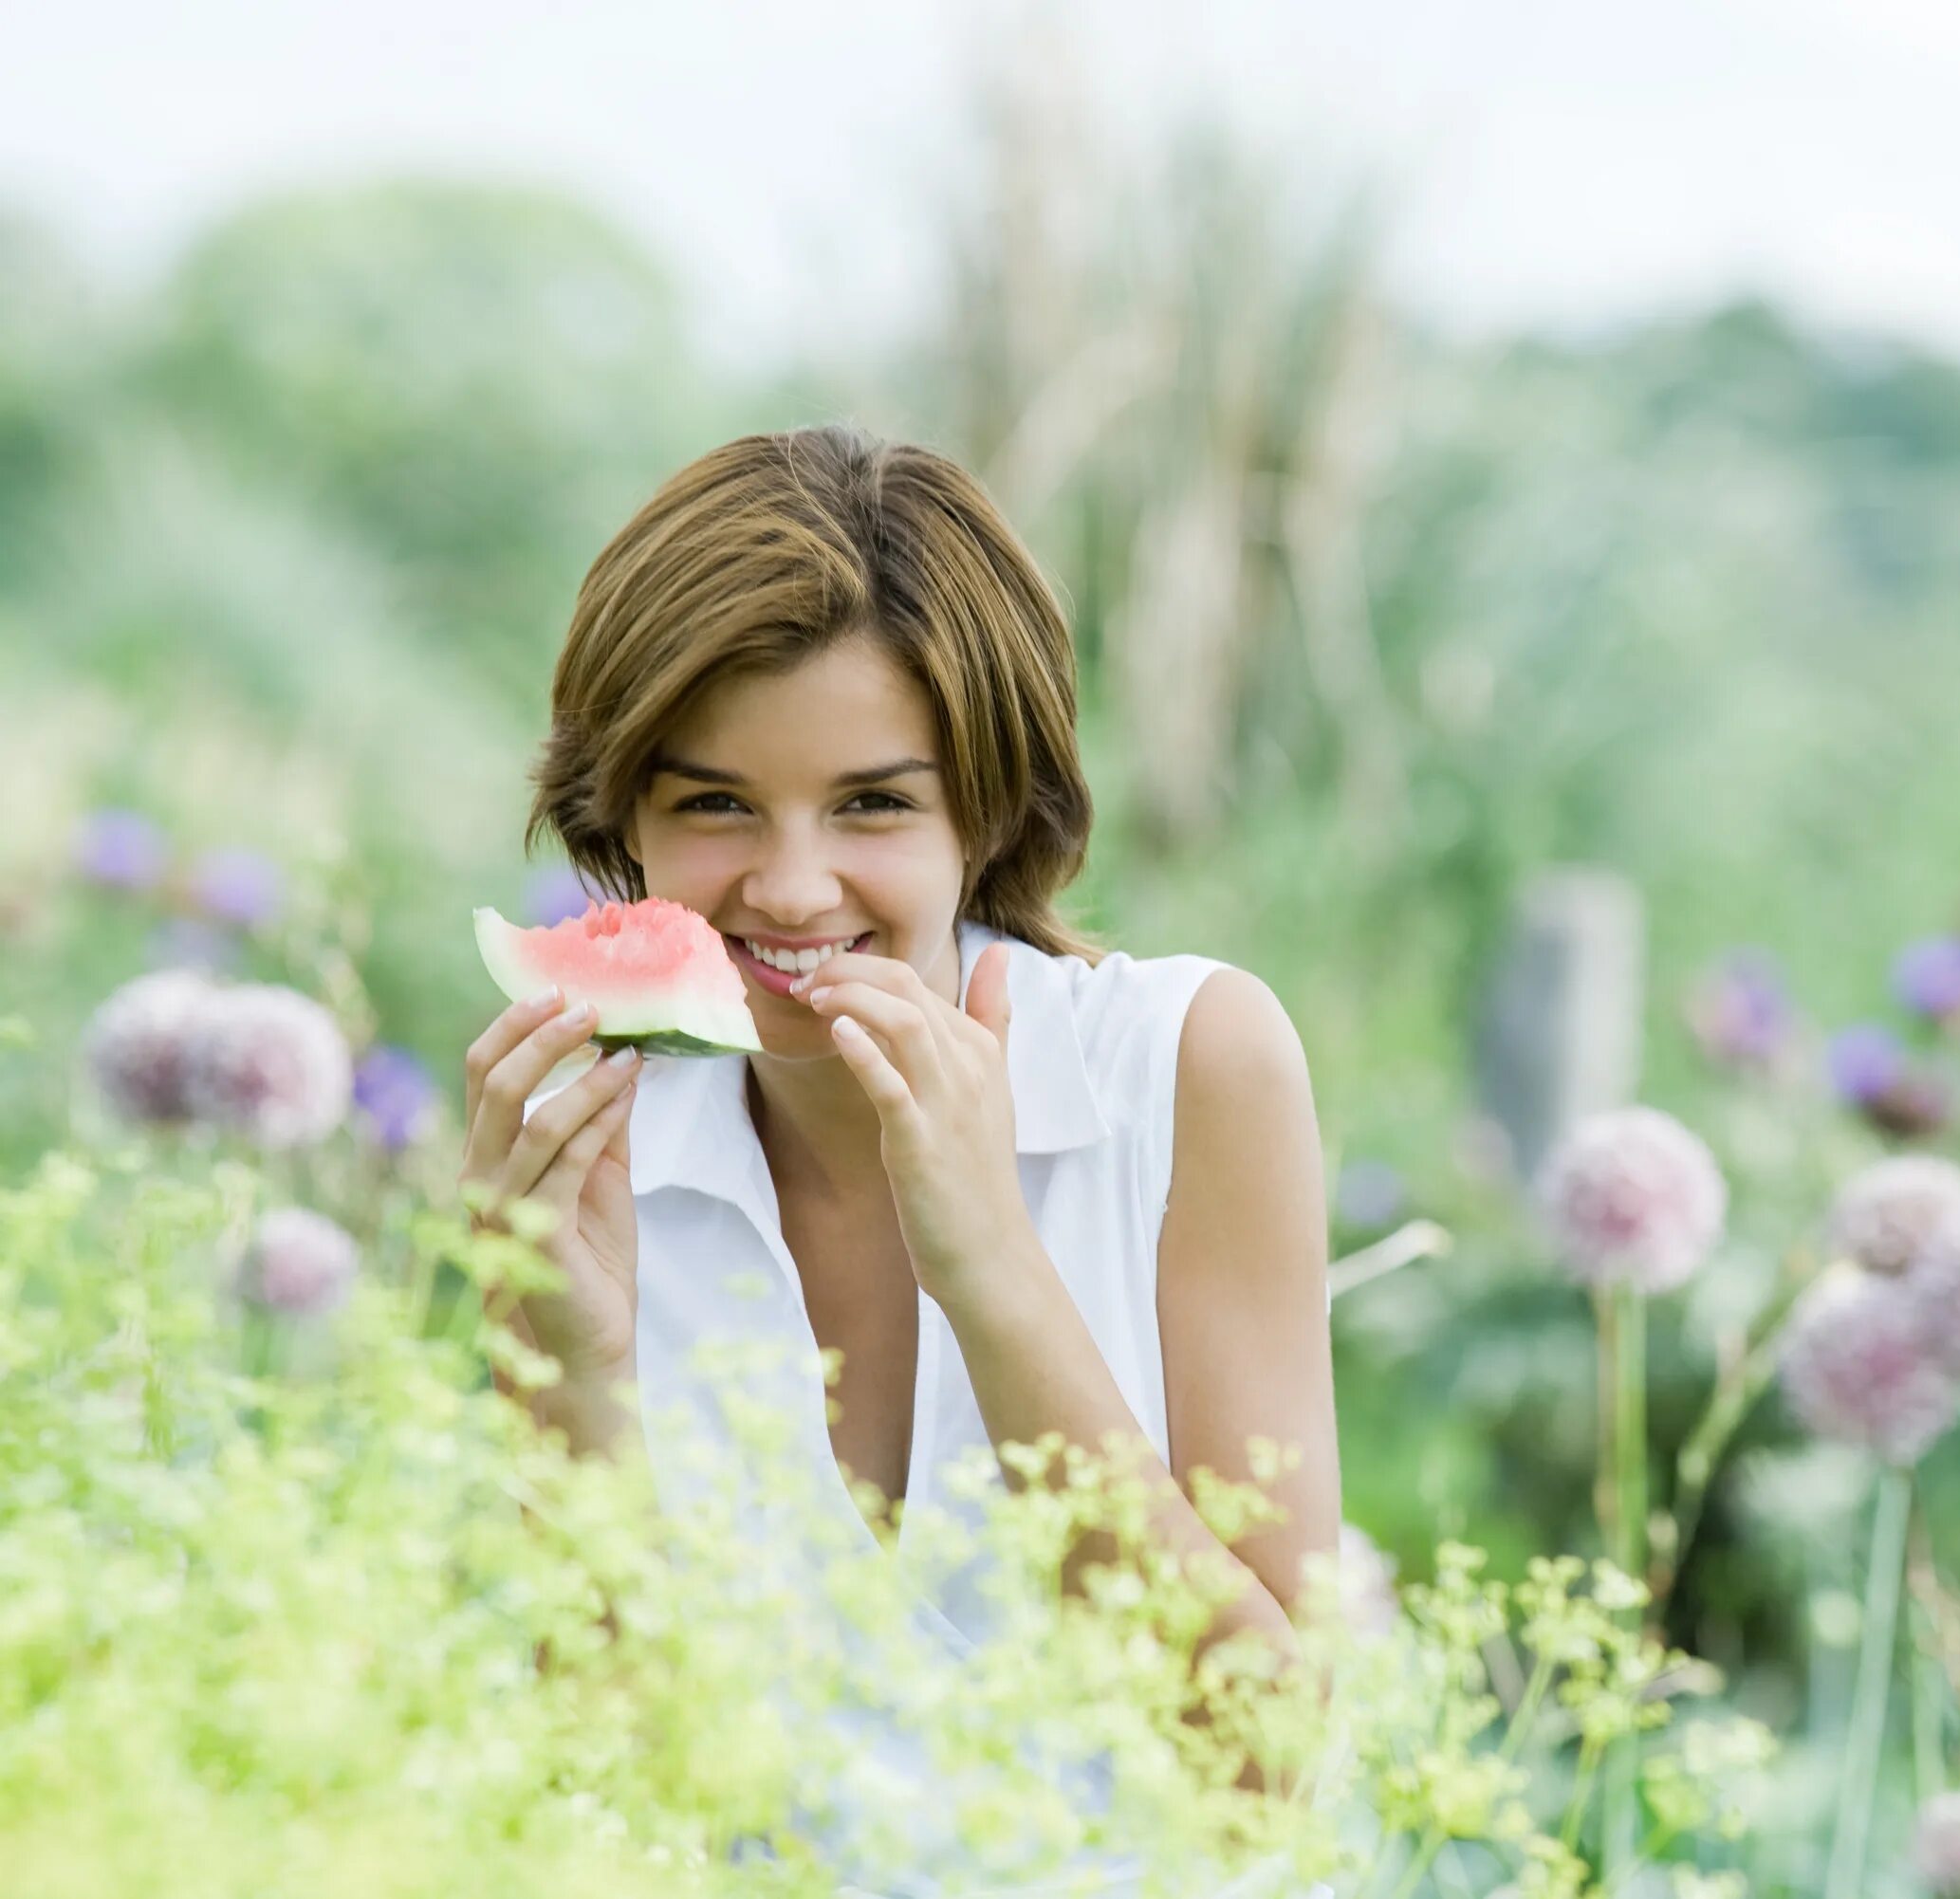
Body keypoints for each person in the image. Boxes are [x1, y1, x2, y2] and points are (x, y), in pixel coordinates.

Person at [455, 422, 1342, 1895]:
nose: (792, 887)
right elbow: (612, 1802)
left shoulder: (1188, 1068)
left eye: (873, 802)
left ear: (984, 809)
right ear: (620, 820)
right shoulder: (575, 1143)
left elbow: (1262, 1767)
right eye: (714, 803)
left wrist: (994, 1269)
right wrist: (575, 1379)